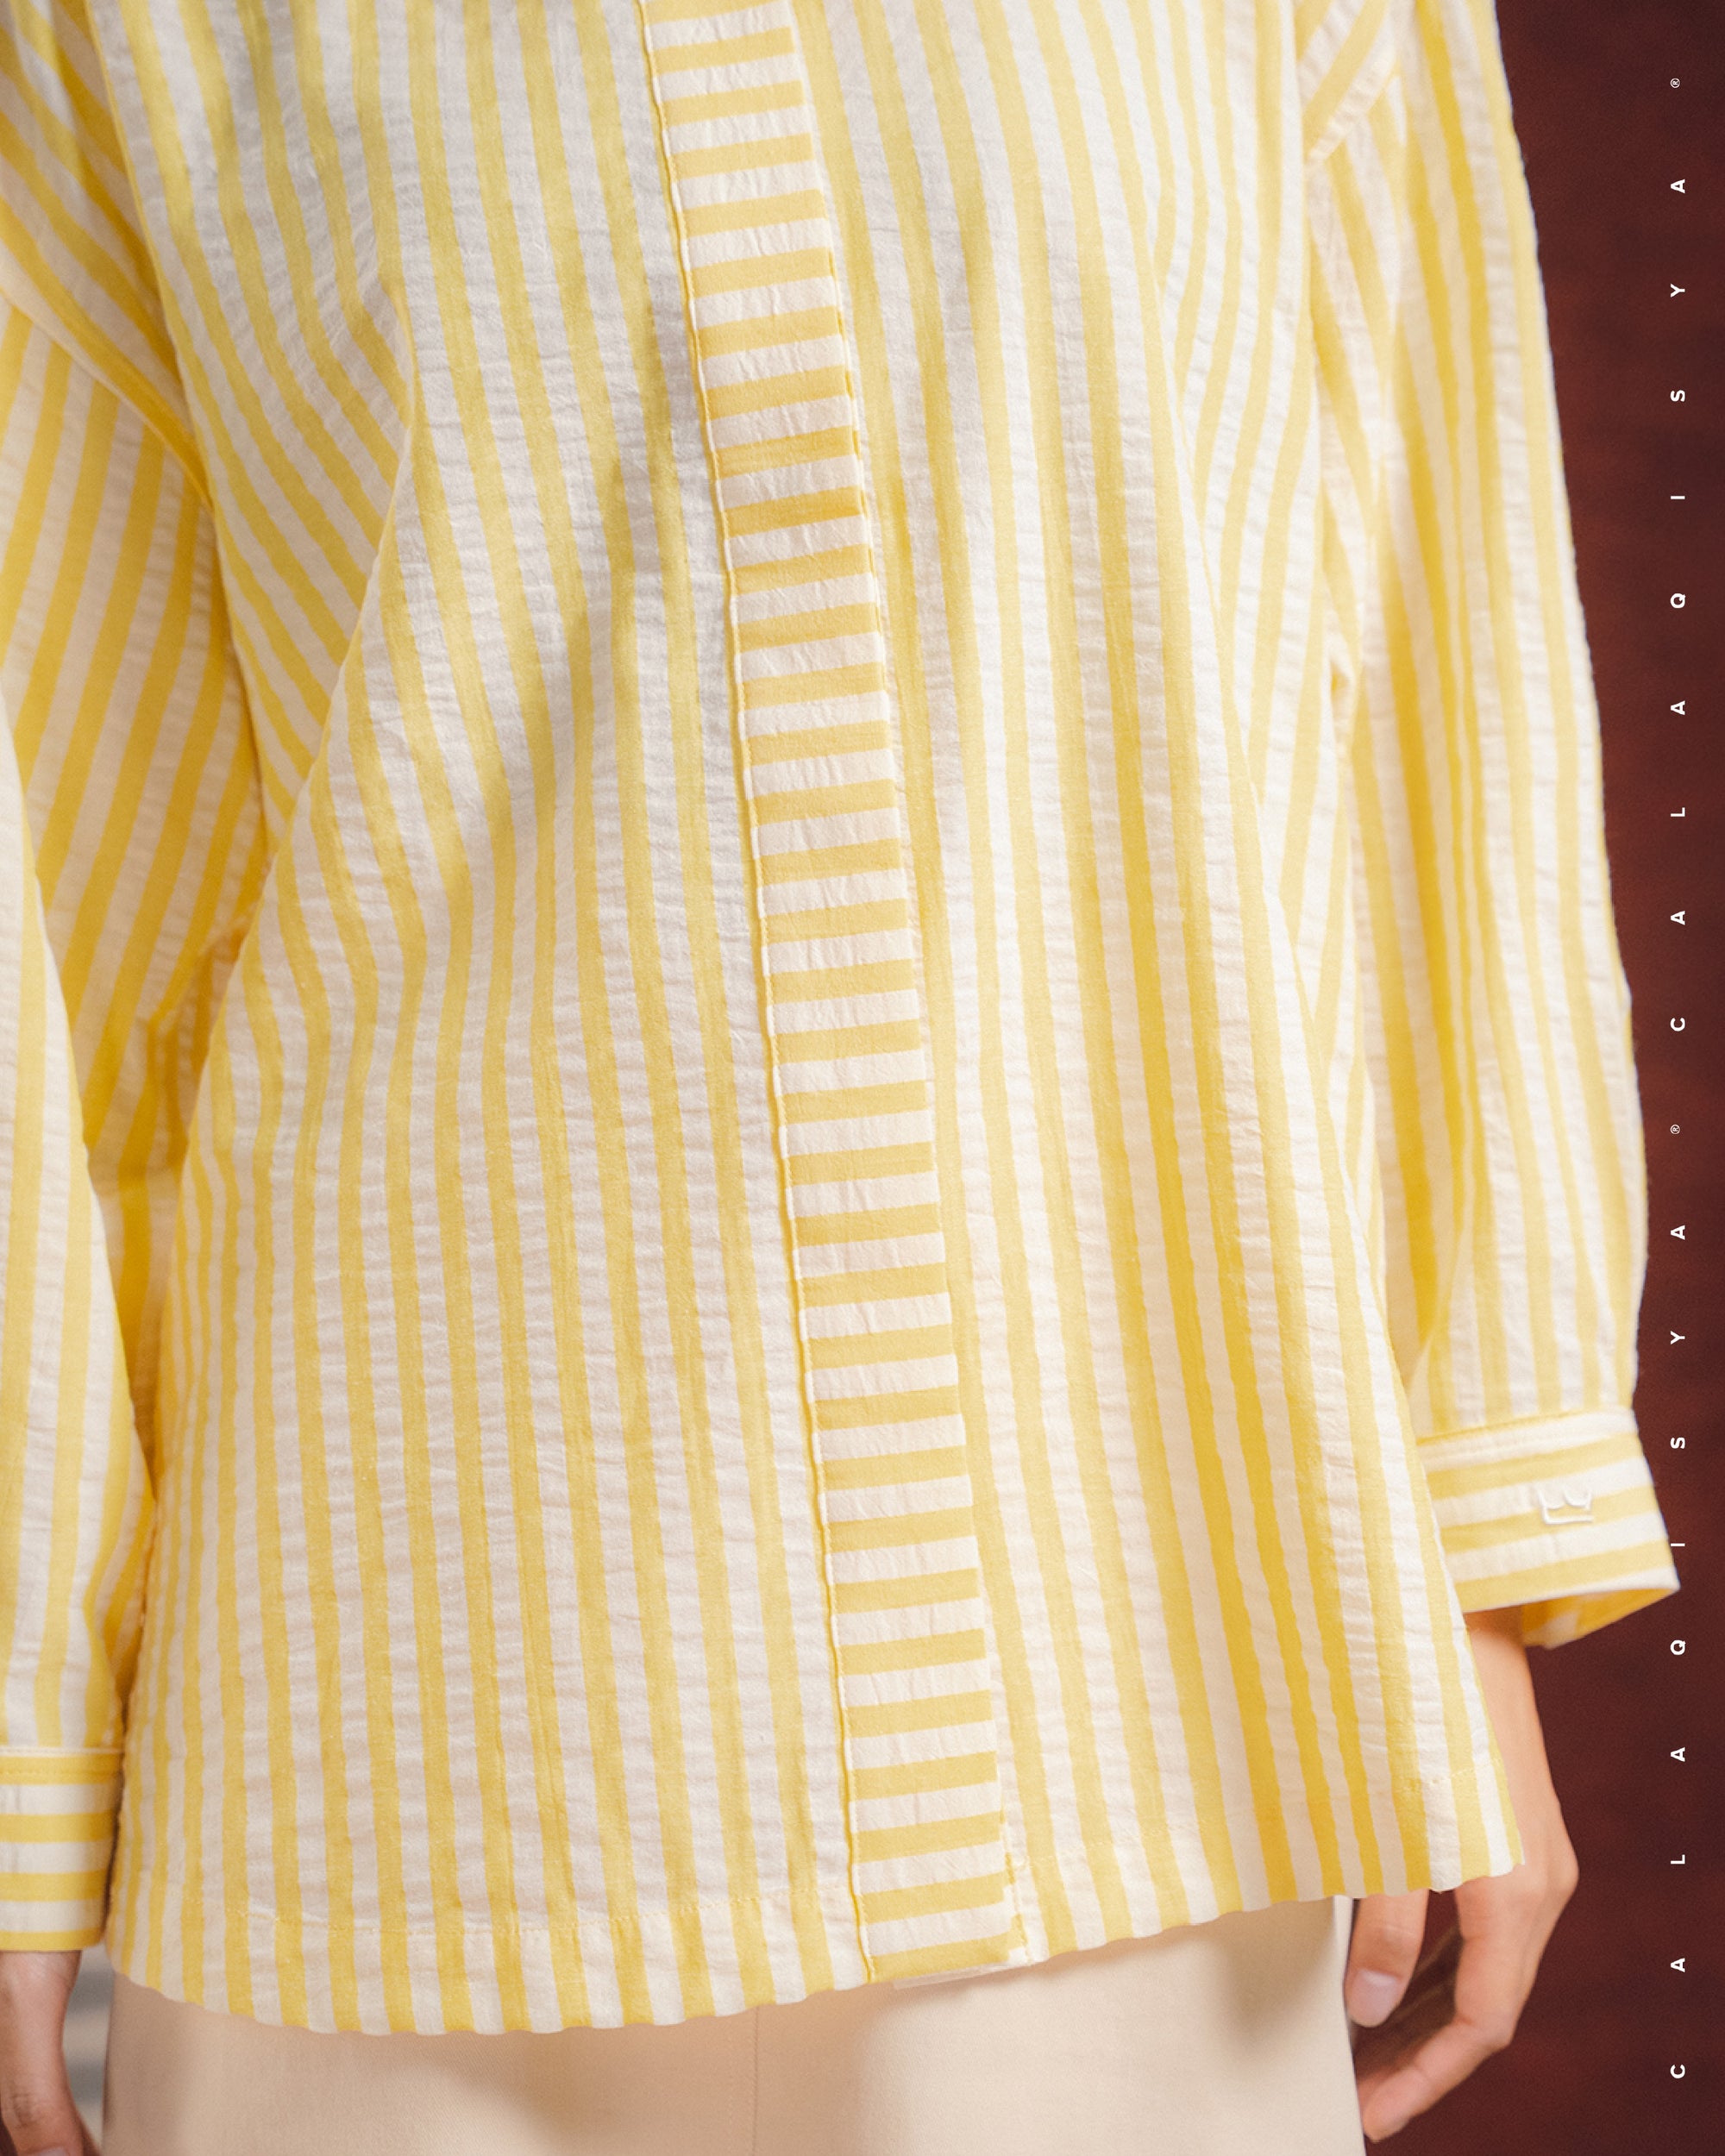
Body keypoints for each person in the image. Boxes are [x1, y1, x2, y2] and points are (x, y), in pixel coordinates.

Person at [0, 0, 1678, 2150]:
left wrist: (1467, 1570)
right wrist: (28, 1729)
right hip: (399, 1723)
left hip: (1145, 1677)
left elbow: (1435, 724)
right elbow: (66, 907)